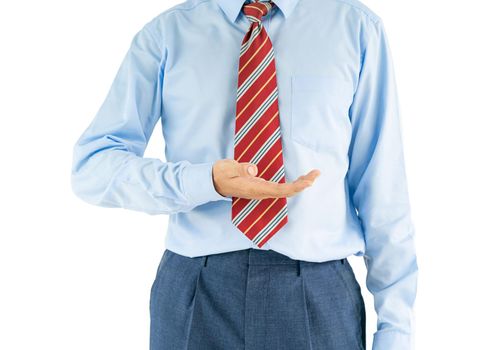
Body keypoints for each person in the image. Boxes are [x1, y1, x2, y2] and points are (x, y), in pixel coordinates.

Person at [71, 0, 418, 349]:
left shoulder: (356, 28)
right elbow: (93, 166)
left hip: (317, 293)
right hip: (196, 291)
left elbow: (383, 188)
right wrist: (204, 181)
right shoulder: (166, 34)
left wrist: (395, 332)